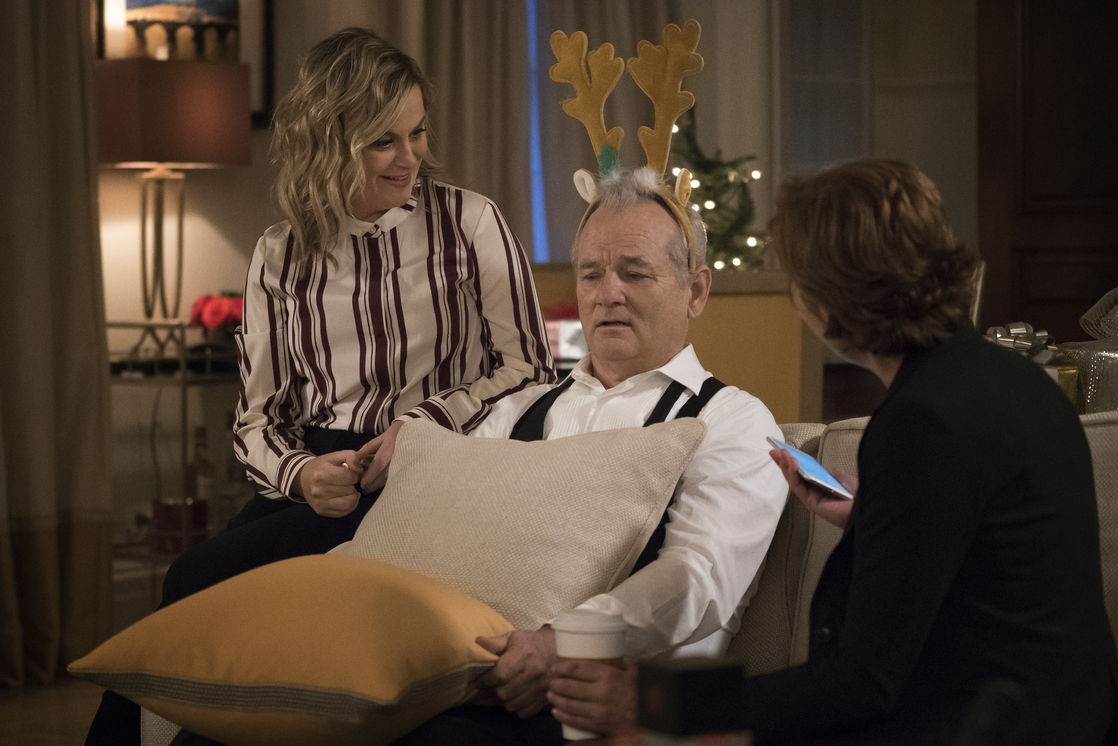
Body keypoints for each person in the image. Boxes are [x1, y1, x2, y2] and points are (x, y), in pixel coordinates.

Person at [86, 27, 553, 745]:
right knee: (190, 582)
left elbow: (530, 369)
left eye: (418, 132)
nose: (411, 157)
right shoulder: (278, 253)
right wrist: (302, 475)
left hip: (439, 468)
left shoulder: (470, 223)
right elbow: (256, 419)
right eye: (384, 141)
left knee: (202, 584)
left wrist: (424, 425)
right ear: (329, 144)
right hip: (320, 474)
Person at [547, 159, 1118, 745]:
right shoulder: (1014, 381)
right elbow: (993, 568)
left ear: (831, 300)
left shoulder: (922, 422)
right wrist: (877, 515)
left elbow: (861, 683)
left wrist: (649, 700)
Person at [396, 167, 788, 744]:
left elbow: (697, 582)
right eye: (591, 274)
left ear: (696, 291)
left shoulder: (732, 422)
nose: (609, 293)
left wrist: (560, 644)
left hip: (612, 716)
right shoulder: (515, 412)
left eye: (635, 273)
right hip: (471, 681)